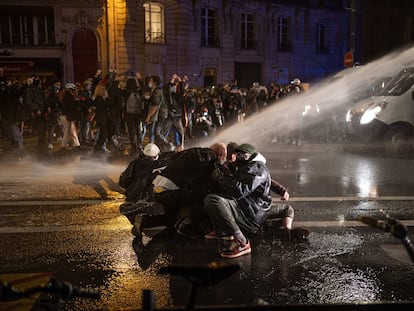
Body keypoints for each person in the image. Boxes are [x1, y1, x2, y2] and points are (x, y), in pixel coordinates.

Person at [132, 142, 227, 239]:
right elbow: (202, 182)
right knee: (205, 195)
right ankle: (188, 226)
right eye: (224, 157)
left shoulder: (194, 151)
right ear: (219, 155)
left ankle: (144, 220)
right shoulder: (209, 159)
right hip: (171, 189)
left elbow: (173, 158)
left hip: (158, 186)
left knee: (170, 220)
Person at [203, 143, 272, 258]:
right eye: (237, 154)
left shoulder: (257, 168)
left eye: (241, 155)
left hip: (252, 214)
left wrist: (221, 177)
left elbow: (238, 190)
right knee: (213, 196)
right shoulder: (247, 166)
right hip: (246, 206)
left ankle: (242, 242)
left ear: (250, 155)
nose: (238, 157)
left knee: (214, 200)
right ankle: (225, 231)